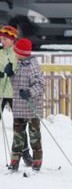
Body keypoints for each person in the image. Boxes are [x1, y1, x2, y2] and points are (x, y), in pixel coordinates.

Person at [8, 38, 45, 172]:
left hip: (31, 108)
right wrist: (11, 74)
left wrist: (29, 92)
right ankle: (14, 161)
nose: (15, 53)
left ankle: (37, 161)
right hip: (18, 107)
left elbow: (41, 85)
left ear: (22, 53)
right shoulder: (18, 63)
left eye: (16, 51)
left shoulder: (32, 66)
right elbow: (16, 84)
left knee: (34, 137)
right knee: (18, 136)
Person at [0, 25, 33, 166]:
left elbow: (22, 69)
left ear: (13, 40)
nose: (3, 41)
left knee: (19, 125)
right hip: (1, 91)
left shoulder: (17, 53)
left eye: (6, 39)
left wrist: (12, 72)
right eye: (2, 39)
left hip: (15, 93)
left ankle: (25, 153)